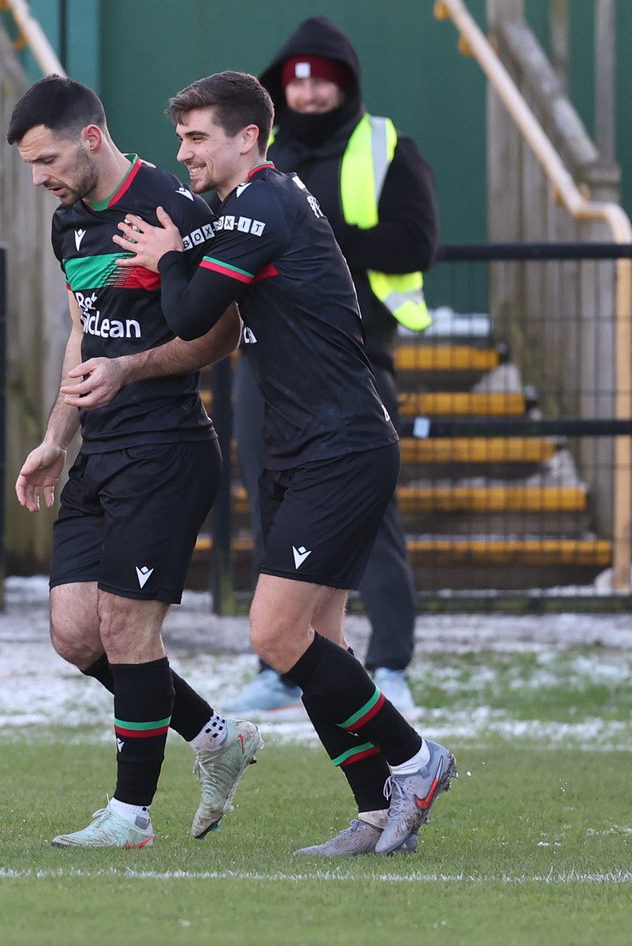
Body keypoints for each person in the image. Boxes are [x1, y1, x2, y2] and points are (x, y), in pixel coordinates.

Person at [113, 70, 455, 856]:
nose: (184, 151)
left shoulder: (264, 203)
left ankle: (415, 759)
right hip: (308, 447)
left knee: (274, 635)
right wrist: (180, 248)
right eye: (181, 138)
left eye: (197, 138)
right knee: (318, 642)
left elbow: (192, 312)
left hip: (341, 445)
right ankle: (376, 811)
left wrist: (169, 257)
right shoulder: (248, 209)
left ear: (247, 139)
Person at [6, 75, 262, 850]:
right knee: (76, 633)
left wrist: (133, 369)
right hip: (101, 447)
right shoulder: (67, 227)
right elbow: (88, 334)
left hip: (168, 446)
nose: (40, 177)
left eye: (47, 158)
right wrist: (58, 433)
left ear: (90, 137)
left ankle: (130, 816)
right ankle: (216, 735)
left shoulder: (173, 206)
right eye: (29, 165)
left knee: (124, 626)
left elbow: (221, 333)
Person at [225, 16, 436, 718]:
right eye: (298, 77)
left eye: (324, 77)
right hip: (262, 367)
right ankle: (280, 666)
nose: (310, 90)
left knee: (371, 515)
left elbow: (414, 242)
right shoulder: (259, 156)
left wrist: (315, 237)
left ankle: (390, 665)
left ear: (346, 82)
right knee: (272, 504)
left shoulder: (384, 148)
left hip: (355, 363)